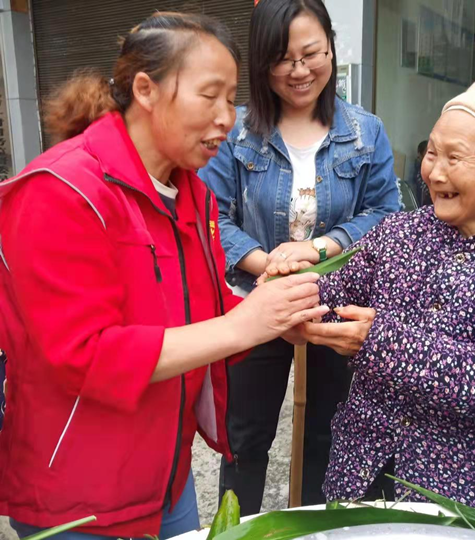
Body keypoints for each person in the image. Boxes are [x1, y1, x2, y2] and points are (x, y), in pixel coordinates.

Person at [0, 12, 327, 540]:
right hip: (80, 494)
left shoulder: (191, 191)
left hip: (165, 477)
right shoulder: (61, 190)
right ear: (146, 89)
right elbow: (83, 355)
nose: (229, 117)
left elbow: (203, 310)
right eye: (210, 96)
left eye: (232, 98)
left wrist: (269, 315)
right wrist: (242, 328)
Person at [279, 75, 475, 520]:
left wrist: (382, 342)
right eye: (431, 152)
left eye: (455, 158)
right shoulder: (400, 233)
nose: (434, 172)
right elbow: (337, 293)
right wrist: (291, 297)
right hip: (363, 475)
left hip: (470, 502)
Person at [199, 0, 399, 514]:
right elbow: (209, 217)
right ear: (262, 63)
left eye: (311, 53)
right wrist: (270, 265)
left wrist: (318, 248)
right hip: (255, 301)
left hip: (334, 306)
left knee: (328, 432)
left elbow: (384, 213)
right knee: (244, 436)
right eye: (282, 58)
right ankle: (235, 522)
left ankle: (313, 523)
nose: (299, 70)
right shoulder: (236, 132)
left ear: (331, 46)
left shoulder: (365, 130)